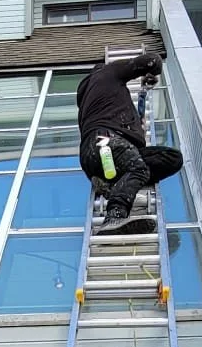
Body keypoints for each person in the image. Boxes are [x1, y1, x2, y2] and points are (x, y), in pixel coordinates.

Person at [76, 51, 183, 235]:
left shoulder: (89, 103)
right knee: (139, 169)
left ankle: (112, 184)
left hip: (94, 155)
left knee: (172, 158)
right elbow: (152, 60)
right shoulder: (107, 73)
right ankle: (115, 215)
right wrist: (150, 72)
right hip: (106, 141)